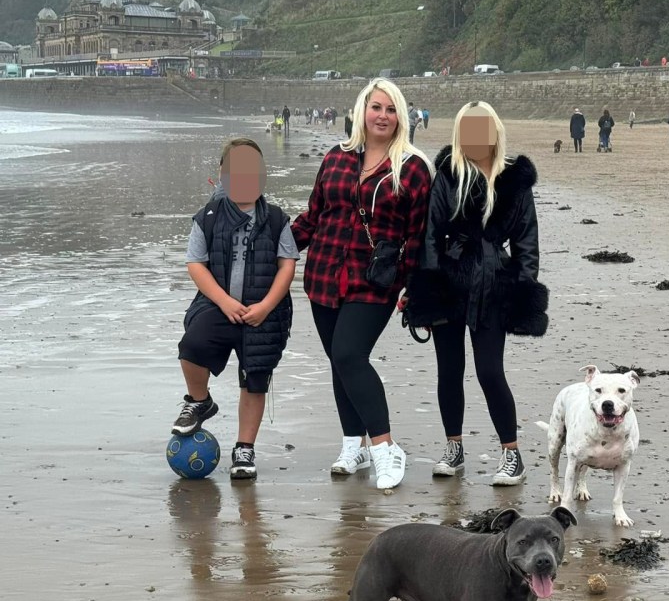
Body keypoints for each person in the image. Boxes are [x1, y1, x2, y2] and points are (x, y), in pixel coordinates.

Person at [291, 80, 433, 490]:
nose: (383, 115)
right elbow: (313, 215)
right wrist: (274, 246)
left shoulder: (412, 167)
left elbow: (419, 235)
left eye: (391, 109)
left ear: (401, 116)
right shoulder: (336, 157)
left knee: (350, 355)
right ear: (362, 111)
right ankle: (351, 443)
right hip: (322, 274)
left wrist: (415, 287)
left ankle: (385, 448)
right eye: (376, 107)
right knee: (339, 361)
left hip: (375, 280)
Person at [405, 101, 548, 487]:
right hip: (448, 280)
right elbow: (431, 233)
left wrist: (523, 289)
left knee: (489, 370)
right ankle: (454, 447)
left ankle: (511, 453)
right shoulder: (449, 174)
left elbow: (526, 242)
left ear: (495, 131)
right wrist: (428, 287)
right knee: (449, 370)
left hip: (492, 283)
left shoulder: (515, 180)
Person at [172, 137, 299, 480]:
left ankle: (245, 448)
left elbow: (287, 265)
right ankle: (199, 400)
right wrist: (224, 301)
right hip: (218, 305)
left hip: (264, 312)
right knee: (192, 345)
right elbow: (195, 264)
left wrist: (266, 306)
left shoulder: (275, 218)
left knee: (255, 379)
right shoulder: (208, 217)